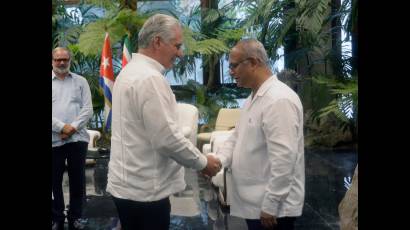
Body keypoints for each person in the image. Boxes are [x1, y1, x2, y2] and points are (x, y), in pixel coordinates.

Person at [106, 13, 221, 230]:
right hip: (146, 193)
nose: (180, 53)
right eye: (177, 46)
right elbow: (166, 139)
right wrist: (203, 163)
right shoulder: (150, 78)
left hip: (127, 187)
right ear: (157, 41)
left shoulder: (128, 72)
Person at [213, 39, 305, 230]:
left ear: (254, 62)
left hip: (273, 210)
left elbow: (284, 158)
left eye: (234, 66)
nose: (230, 72)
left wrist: (271, 204)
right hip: (255, 203)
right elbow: (237, 137)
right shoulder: (254, 97)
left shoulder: (279, 100)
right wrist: (217, 160)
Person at [52, 47, 93, 230]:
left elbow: (88, 110)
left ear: (70, 60)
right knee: (54, 182)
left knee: (78, 181)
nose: (61, 62)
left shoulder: (80, 81)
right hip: (53, 140)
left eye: (65, 59)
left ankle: (76, 217)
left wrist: (72, 128)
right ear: (52, 60)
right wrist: (61, 127)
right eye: (58, 59)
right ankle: (56, 217)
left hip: (77, 139)